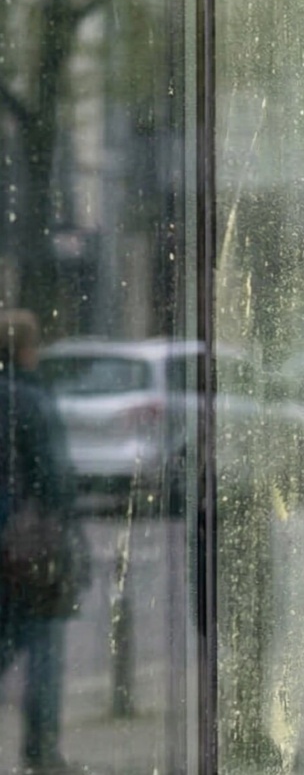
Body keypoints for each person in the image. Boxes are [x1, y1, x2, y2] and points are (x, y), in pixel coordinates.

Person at [1, 309, 85, 775]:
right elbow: (55, 481)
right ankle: (40, 750)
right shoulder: (32, 400)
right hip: (28, 546)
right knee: (43, 648)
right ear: (27, 351)